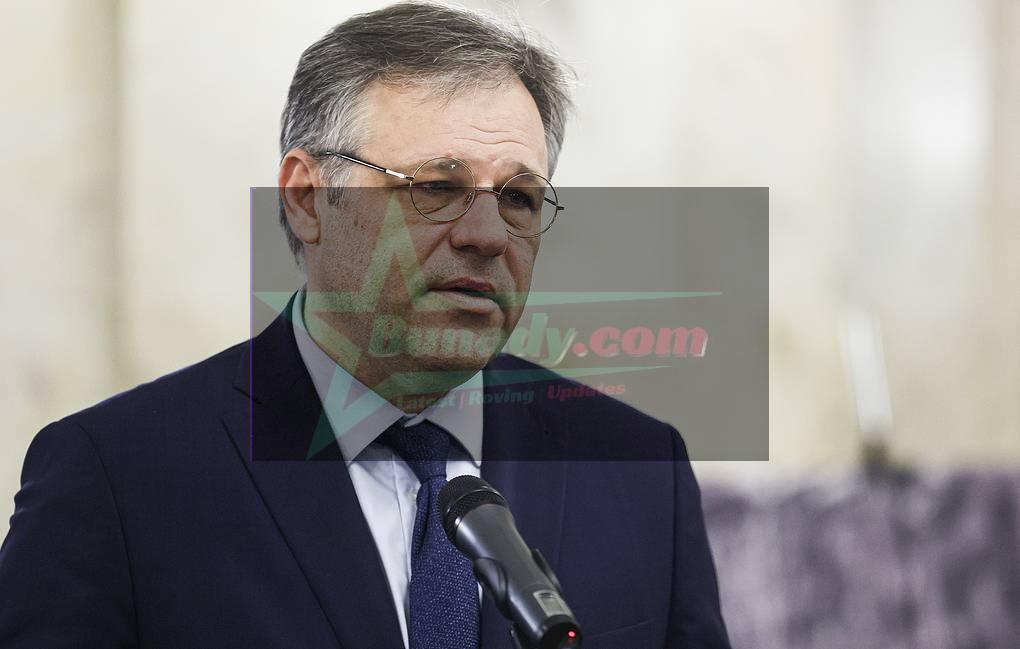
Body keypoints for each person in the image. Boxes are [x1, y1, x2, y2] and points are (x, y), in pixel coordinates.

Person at [0, 3, 730, 648]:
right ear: (308, 199)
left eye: (518, 197)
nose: (486, 233)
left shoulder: (639, 468)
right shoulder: (119, 478)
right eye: (436, 187)